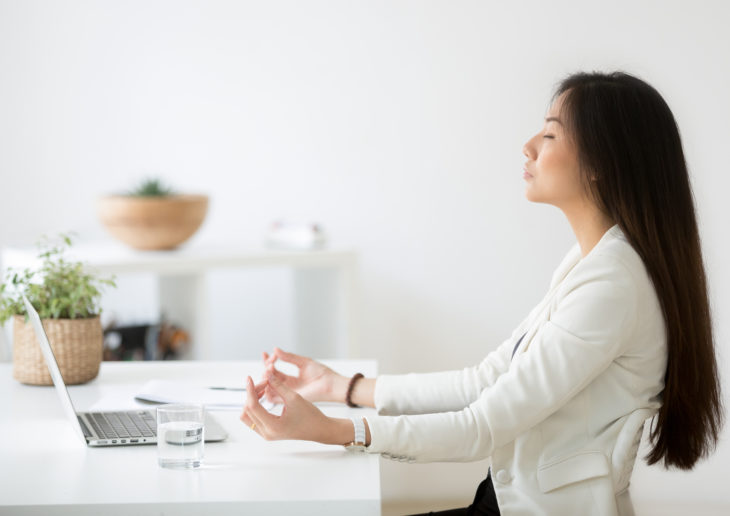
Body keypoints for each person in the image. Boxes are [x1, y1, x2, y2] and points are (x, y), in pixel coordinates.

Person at [240, 71, 724, 516]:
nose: (529, 146)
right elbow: (485, 381)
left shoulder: (613, 284)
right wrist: (341, 387)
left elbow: (481, 426)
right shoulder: (593, 262)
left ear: (602, 163)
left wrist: (331, 430)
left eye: (550, 134)